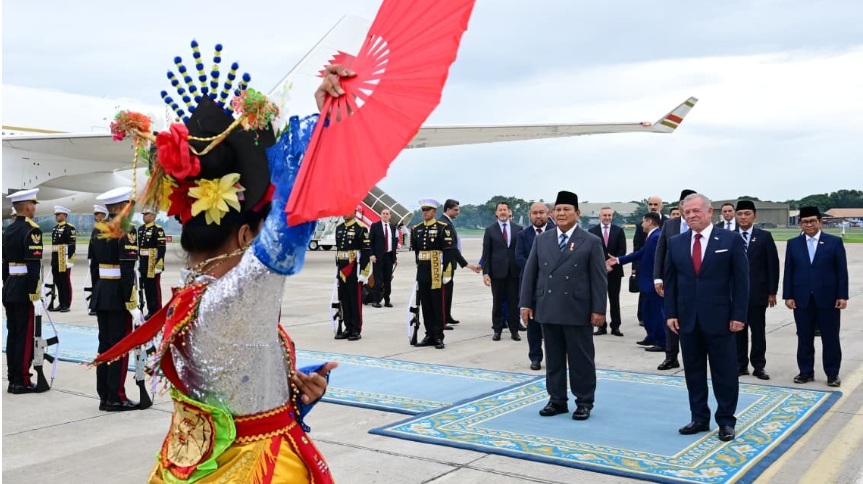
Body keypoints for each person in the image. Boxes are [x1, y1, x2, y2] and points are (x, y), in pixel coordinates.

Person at [92, 47, 349, 482]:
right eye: (259, 235)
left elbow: (224, 391)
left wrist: (288, 389)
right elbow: (292, 221)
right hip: (254, 469)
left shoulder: (190, 298)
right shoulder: (229, 299)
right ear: (246, 236)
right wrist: (321, 124)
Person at [665, 193, 749, 442]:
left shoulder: (730, 240)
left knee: (724, 373)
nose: (691, 216)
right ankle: (699, 417)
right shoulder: (676, 242)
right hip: (687, 320)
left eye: (695, 211)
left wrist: (739, 314)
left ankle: (726, 420)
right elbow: (671, 282)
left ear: (709, 211)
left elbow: (742, 282)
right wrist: (670, 313)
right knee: (693, 372)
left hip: (722, 319)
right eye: (686, 212)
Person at [519, 190, 606, 421]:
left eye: (566, 209)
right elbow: (531, 274)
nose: (561, 213)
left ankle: (584, 401)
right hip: (548, 307)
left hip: (578, 309)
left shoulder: (591, 241)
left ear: (577, 213)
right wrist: (525, 304)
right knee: (554, 358)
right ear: (551, 213)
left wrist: (599, 309)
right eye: (557, 210)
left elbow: (599, 279)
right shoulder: (542, 239)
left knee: (581, 360)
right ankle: (556, 400)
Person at [783, 206, 849, 387]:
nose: (809, 224)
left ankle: (832, 374)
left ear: (820, 222)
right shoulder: (793, 244)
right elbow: (789, 270)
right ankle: (805, 372)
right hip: (802, 298)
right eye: (805, 222)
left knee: (830, 338)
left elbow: (841, 271)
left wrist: (842, 295)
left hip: (828, 298)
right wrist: (788, 295)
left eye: (813, 221)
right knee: (804, 337)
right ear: (800, 224)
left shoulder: (834, 242)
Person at [90, 187, 140, 411]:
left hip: (102, 291)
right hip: (119, 294)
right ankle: (116, 397)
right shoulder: (126, 229)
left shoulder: (97, 229)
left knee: (105, 345)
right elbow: (127, 269)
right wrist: (132, 302)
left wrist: (95, 290)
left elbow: (94, 265)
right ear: (121, 207)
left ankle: (104, 394)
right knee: (119, 347)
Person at [2, 188, 46, 394]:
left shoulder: (8, 230)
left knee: (13, 334)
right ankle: (23, 379)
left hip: (10, 286)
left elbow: (4, 263)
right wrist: (35, 294)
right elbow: (33, 266)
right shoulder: (32, 230)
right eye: (33, 204)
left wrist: (6, 284)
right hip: (24, 290)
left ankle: (13, 377)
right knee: (25, 335)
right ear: (27, 206)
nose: (34, 208)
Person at [607, 212, 665, 352]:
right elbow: (640, 253)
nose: (641, 224)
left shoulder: (656, 237)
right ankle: (651, 336)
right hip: (646, 282)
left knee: (657, 313)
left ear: (650, 222)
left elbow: (658, 261)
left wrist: (658, 279)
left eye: (643, 221)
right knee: (647, 312)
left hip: (652, 282)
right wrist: (618, 260)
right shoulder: (651, 237)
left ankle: (663, 342)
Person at [734, 200, 779, 379]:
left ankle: (759, 365)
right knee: (738, 331)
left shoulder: (764, 236)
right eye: (740, 214)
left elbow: (772, 266)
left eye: (747, 214)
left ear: (754, 216)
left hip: (757, 294)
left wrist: (772, 292)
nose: (743, 217)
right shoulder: (728, 236)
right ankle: (740, 364)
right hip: (735, 295)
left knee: (758, 331)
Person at [653, 189, 697, 370]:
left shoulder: (702, 224)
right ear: (680, 205)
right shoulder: (670, 225)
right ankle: (671, 357)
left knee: (694, 319)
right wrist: (658, 278)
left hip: (695, 281)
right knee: (671, 318)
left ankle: (694, 358)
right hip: (672, 280)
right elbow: (660, 251)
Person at [515, 201, 555, 370]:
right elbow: (519, 257)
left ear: (548, 213)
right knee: (533, 326)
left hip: (552, 286)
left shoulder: (556, 233)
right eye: (534, 213)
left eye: (541, 213)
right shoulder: (523, 235)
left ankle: (555, 357)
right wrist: (537, 269)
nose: (538, 216)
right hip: (531, 285)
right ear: (530, 215)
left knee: (553, 326)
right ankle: (535, 357)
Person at [410, 199, 454, 349]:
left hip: (436, 270)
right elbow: (417, 251)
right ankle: (429, 334)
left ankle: (438, 336)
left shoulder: (442, 228)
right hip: (422, 270)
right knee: (426, 304)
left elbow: (448, 252)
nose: (424, 212)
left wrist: (446, 272)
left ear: (434, 211)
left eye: (428, 210)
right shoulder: (416, 229)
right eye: (423, 210)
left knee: (437, 304)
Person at [481, 201, 524, 341]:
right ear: (496, 213)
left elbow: (521, 251)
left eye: (505, 210)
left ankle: (514, 330)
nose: (503, 212)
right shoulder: (490, 230)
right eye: (500, 210)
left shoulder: (518, 229)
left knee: (513, 303)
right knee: (497, 302)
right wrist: (485, 273)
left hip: (514, 272)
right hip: (497, 273)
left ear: (509, 212)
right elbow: (486, 254)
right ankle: (497, 330)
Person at [438, 199, 481, 326]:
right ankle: (443, 319)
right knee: (444, 292)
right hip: (445, 265)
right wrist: (468, 265)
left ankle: (447, 315)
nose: (458, 212)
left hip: (449, 264)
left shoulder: (446, 222)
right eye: (456, 210)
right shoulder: (444, 223)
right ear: (448, 210)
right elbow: (452, 248)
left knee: (448, 290)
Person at [589, 207, 626, 336]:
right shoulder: (592, 231)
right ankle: (601, 326)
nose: (607, 217)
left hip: (614, 272)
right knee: (600, 299)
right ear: (599, 216)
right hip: (598, 273)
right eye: (605, 215)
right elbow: (590, 252)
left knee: (614, 300)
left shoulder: (619, 231)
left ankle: (615, 326)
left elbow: (622, 251)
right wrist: (601, 266)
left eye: (609, 215)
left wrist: (611, 265)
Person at [334, 207, 371, 340]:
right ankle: (347, 327)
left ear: (354, 212)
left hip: (354, 269)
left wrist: (364, 273)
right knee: (344, 299)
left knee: (354, 300)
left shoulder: (361, 228)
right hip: (342, 269)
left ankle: (356, 328)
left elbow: (366, 252)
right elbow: (338, 252)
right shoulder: (339, 228)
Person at [632, 196, 666, 328]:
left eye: (655, 204)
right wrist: (635, 267)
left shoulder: (668, 222)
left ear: (661, 206)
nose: (653, 206)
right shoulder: (642, 224)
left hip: (659, 269)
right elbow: (638, 246)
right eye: (650, 204)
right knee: (644, 295)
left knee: (658, 300)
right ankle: (644, 318)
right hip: (644, 267)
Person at [137, 207, 166, 319]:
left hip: (152, 263)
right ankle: (150, 310)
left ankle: (157, 311)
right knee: (147, 288)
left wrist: (159, 264)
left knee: (154, 289)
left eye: (147, 214)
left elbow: (162, 249)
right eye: (144, 214)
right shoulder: (140, 229)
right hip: (143, 263)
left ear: (153, 216)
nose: (144, 216)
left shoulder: (157, 230)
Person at [49, 205, 76, 312]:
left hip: (63, 258)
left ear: (64, 215)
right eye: (56, 214)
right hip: (56, 258)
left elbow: (72, 245)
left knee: (65, 281)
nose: (56, 216)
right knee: (58, 281)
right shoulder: (55, 228)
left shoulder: (70, 228)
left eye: (58, 214)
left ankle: (66, 304)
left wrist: (70, 260)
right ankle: (61, 303)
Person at [369, 208, 397, 308]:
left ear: (390, 216)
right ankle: (375, 301)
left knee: (387, 280)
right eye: (383, 213)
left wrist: (394, 257)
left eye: (387, 214)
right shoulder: (375, 226)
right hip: (378, 257)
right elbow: (370, 242)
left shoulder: (393, 227)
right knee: (378, 280)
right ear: (380, 215)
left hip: (389, 256)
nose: (385, 215)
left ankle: (387, 300)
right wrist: (371, 254)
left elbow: (394, 243)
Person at [87, 205, 109, 316]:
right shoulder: (96, 228)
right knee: (94, 281)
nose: (95, 216)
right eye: (95, 214)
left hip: (102, 261)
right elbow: (92, 244)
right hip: (95, 260)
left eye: (97, 214)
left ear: (104, 215)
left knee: (100, 284)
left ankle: (96, 306)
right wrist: (90, 257)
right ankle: (95, 305)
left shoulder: (106, 228)